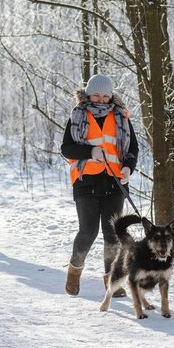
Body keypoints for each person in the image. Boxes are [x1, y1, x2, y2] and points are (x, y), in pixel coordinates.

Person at [60, 73, 139, 297]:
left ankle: (112, 282)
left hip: (114, 181)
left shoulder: (121, 117)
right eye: (96, 95)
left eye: (106, 95)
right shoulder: (77, 115)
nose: (101, 99)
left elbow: (132, 148)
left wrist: (128, 168)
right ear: (87, 94)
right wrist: (90, 151)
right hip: (86, 180)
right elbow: (66, 149)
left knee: (112, 233)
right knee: (88, 230)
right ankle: (74, 273)